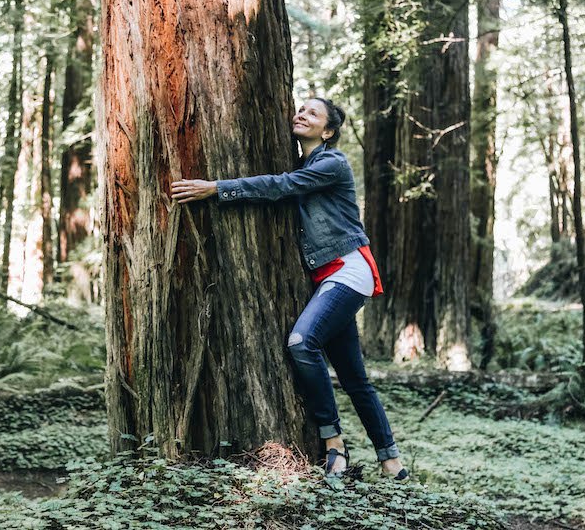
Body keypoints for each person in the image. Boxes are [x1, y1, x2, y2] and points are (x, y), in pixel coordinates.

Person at [170, 97, 408, 480]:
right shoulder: (305, 165)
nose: (301, 115)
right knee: (354, 379)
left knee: (301, 342)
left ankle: (333, 443)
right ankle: (392, 462)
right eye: (300, 109)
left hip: (348, 270)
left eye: (313, 113)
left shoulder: (331, 163)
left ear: (328, 131)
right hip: (328, 277)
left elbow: (281, 186)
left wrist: (216, 188)